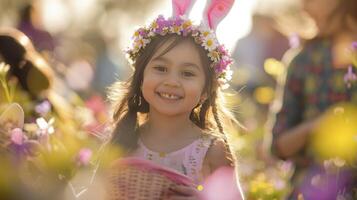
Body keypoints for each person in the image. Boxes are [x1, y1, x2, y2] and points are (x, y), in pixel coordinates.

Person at [107, 0, 244, 199]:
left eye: (187, 73)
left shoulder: (211, 152)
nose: (172, 81)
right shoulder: (123, 139)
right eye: (161, 69)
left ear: (206, 89)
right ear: (141, 75)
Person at [269, 0, 357, 199]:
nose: (304, 8)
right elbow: (278, 146)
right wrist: (317, 125)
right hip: (312, 191)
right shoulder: (303, 60)